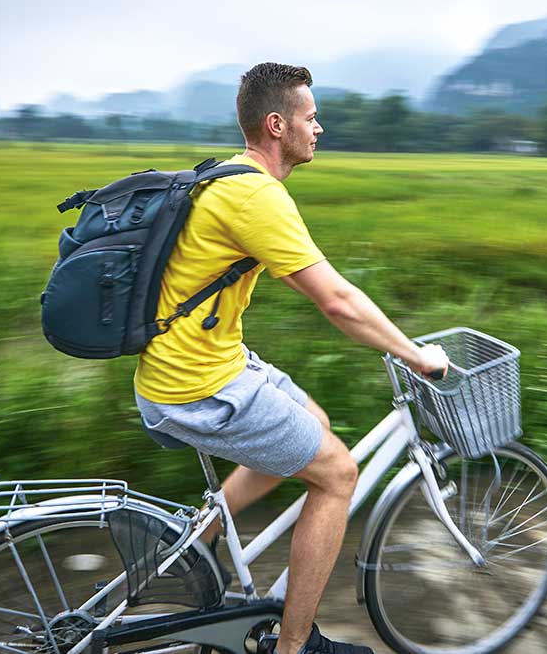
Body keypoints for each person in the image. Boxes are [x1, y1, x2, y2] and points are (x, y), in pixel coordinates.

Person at [134, 62, 448, 654]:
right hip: (198, 384)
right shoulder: (256, 195)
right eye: (310, 117)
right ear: (277, 125)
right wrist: (412, 353)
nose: (319, 128)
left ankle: (193, 548)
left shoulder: (225, 174)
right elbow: (337, 301)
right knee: (338, 475)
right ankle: (295, 645)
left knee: (316, 425)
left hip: (204, 362)